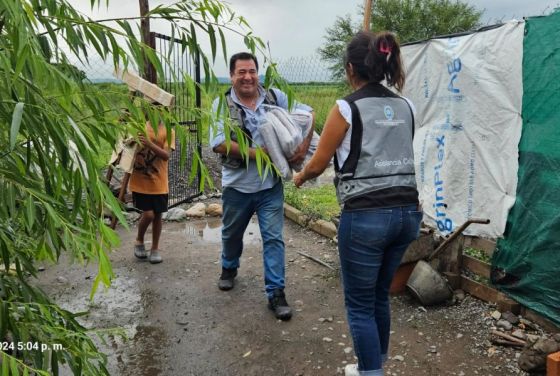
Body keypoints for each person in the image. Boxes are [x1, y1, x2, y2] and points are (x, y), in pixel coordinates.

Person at [293, 31, 422, 375]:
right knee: (379, 294)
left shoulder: (346, 108)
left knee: (360, 304)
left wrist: (300, 177)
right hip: (408, 215)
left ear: (351, 68)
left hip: (366, 218)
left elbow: (319, 163)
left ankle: (370, 372)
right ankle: (374, 365)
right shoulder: (405, 106)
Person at [210, 52, 314, 321]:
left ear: (259, 73)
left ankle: (276, 294)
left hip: (270, 187)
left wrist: (302, 148)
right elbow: (219, 143)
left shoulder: (274, 97)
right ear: (232, 75)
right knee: (232, 234)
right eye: (241, 72)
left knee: (273, 238)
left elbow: (309, 114)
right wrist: (261, 155)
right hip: (237, 187)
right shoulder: (221, 106)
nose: (247, 77)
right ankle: (228, 267)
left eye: (252, 71)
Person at [130, 107, 175, 264]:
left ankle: (155, 248)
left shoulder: (168, 131)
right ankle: (139, 240)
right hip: (140, 180)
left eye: (162, 109)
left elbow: (166, 155)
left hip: (159, 181)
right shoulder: (139, 126)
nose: (158, 112)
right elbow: (127, 145)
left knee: (158, 216)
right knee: (148, 214)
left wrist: (148, 144)